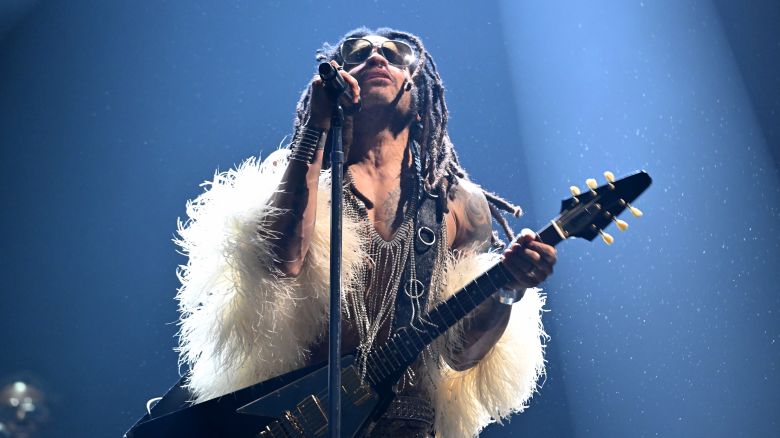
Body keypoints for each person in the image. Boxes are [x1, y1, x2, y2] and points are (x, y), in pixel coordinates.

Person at [175, 27, 556, 437]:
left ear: (422, 93)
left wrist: (507, 290)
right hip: (303, 416)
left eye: (395, 54)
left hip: (409, 423)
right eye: (359, 53)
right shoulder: (297, 172)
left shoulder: (461, 204)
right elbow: (281, 263)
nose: (377, 58)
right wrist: (314, 130)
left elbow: (462, 356)